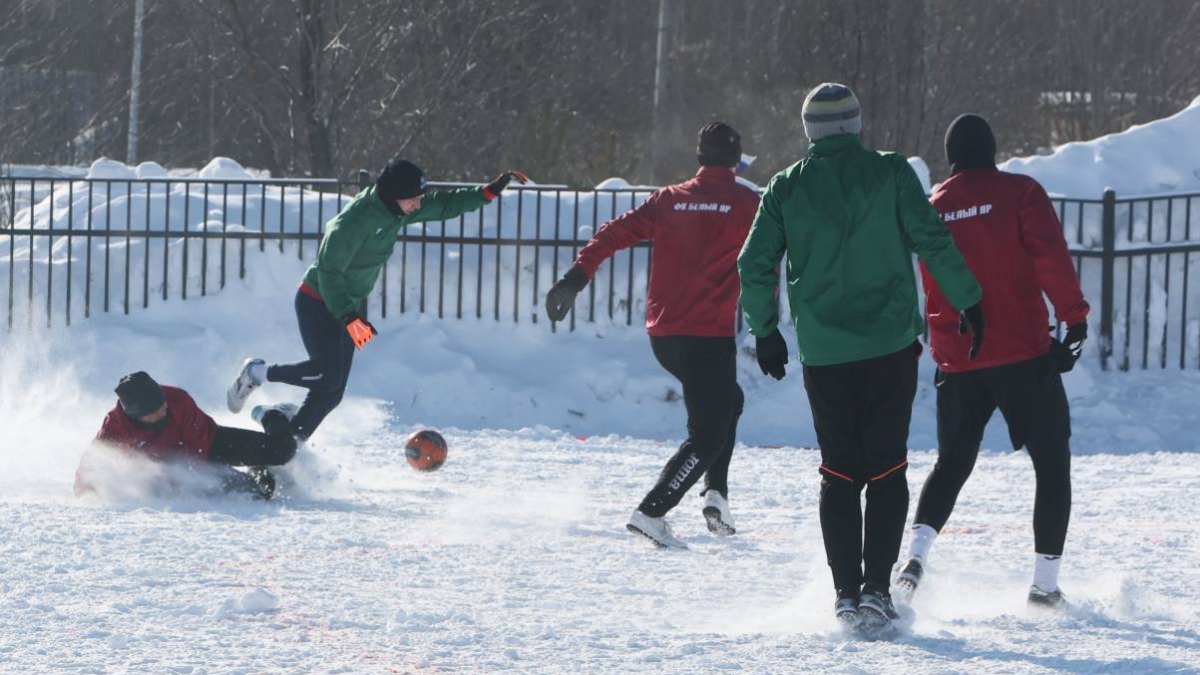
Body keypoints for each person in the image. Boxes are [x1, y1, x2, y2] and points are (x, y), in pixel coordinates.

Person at [737, 84, 984, 632]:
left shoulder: (785, 188)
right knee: (888, 467)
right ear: (854, 125)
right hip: (889, 345)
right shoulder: (892, 172)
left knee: (839, 471)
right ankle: (877, 588)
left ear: (810, 131)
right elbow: (932, 239)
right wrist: (967, 299)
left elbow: (753, 264)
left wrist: (766, 330)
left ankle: (845, 592)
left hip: (825, 352)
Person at [895, 114, 1089, 609]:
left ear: (950, 155)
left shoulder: (933, 205)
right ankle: (1044, 585)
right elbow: (1050, 256)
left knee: (952, 464)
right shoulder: (1020, 193)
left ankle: (913, 559)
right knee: (1052, 462)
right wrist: (1075, 317)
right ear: (993, 150)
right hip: (1023, 352)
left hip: (958, 357)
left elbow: (928, 279)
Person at [545, 122, 761, 549]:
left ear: (700, 158)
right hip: (708, 337)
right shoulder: (747, 202)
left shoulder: (670, 199)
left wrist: (576, 276)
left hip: (665, 336)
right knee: (708, 435)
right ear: (736, 162)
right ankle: (652, 511)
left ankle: (716, 494)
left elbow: (611, 232)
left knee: (727, 404)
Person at [226, 160, 528, 440]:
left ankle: (291, 442)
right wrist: (348, 316)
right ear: (392, 194)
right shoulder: (354, 223)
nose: (418, 204)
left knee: (332, 393)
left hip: (348, 308)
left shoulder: (398, 210)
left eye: (418, 198)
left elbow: (443, 205)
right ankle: (256, 373)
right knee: (325, 374)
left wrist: (487, 192)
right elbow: (329, 272)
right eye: (413, 198)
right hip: (318, 302)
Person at [75, 371, 297, 499]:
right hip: (169, 471)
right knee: (258, 495)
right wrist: (84, 495)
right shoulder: (116, 425)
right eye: (157, 411)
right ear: (138, 415)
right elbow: (94, 462)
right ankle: (259, 470)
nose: (165, 410)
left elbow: (199, 448)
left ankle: (271, 415)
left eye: (163, 404)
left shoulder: (178, 400)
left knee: (283, 451)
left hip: (210, 443)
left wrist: (195, 482)